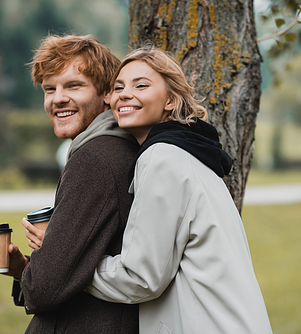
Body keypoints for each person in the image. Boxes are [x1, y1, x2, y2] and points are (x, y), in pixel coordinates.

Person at [81, 47, 274, 333]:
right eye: (118, 87)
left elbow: (142, 277)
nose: (123, 93)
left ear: (170, 100)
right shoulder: (190, 152)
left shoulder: (162, 157)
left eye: (141, 85)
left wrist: (76, 268)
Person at [0, 34, 139, 333]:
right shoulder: (116, 148)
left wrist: (37, 267)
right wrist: (23, 268)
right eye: (50, 89)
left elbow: (46, 288)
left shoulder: (94, 159)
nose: (58, 98)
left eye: (73, 86)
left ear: (106, 93)